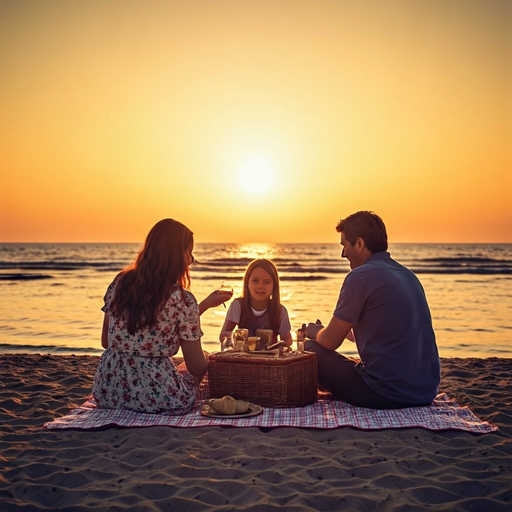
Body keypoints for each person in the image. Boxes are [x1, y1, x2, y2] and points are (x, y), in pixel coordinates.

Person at [91, 219, 232, 414]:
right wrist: (212, 360)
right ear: (174, 255)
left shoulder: (119, 283)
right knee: (203, 359)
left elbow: (106, 342)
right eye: (188, 252)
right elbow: (197, 367)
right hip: (158, 396)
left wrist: (205, 305)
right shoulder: (181, 299)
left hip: (108, 391)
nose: (191, 259)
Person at [305, 211, 440, 409]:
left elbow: (330, 342)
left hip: (383, 393)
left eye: (344, 245)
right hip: (425, 392)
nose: (343, 254)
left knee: (310, 349)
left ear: (359, 243)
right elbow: (387, 331)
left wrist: (315, 332)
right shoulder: (408, 275)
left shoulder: (359, 277)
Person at [219, 258, 293, 347]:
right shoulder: (239, 305)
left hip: (271, 358)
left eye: (266, 282)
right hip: (244, 357)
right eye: (255, 281)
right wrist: (236, 338)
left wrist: (283, 346)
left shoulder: (280, 311)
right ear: (247, 282)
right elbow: (223, 335)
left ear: (274, 286)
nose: (260, 286)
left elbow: (287, 339)